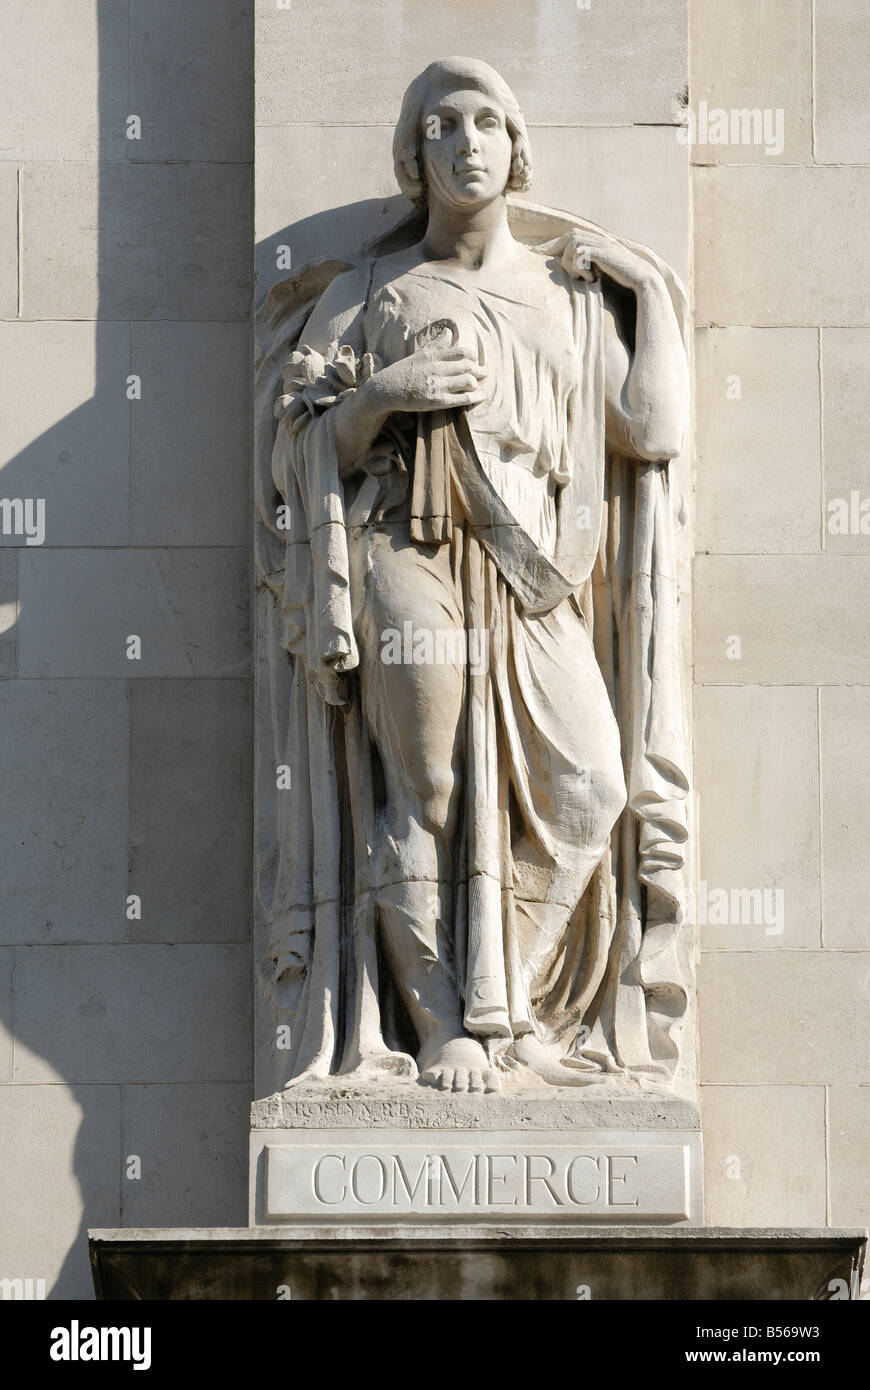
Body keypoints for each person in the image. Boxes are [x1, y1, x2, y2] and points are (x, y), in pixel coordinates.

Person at [256, 57, 691, 1096]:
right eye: (441, 124)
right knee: (429, 785)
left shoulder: (566, 298)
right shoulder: (369, 293)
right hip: (405, 548)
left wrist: (651, 296)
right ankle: (442, 1018)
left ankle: (517, 1005)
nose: (465, 142)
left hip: (531, 570)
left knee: (592, 784)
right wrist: (385, 394)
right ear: (416, 154)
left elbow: (653, 428)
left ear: (515, 146)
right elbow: (295, 452)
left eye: (486, 121)